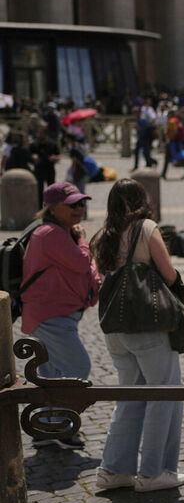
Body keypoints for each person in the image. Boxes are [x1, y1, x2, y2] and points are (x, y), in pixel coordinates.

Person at [90, 179, 184, 491]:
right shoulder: (146, 227)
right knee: (164, 395)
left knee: (128, 397)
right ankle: (153, 472)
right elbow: (169, 274)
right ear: (142, 199)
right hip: (147, 325)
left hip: (115, 329)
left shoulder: (103, 235)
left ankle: (114, 470)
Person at [20, 181, 100, 449]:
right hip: (51, 316)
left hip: (54, 314)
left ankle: (46, 429)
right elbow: (79, 261)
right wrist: (83, 240)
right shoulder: (50, 234)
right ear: (53, 208)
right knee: (78, 368)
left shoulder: (59, 231)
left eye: (81, 203)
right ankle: (63, 428)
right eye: (73, 204)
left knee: (52, 375)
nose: (79, 208)